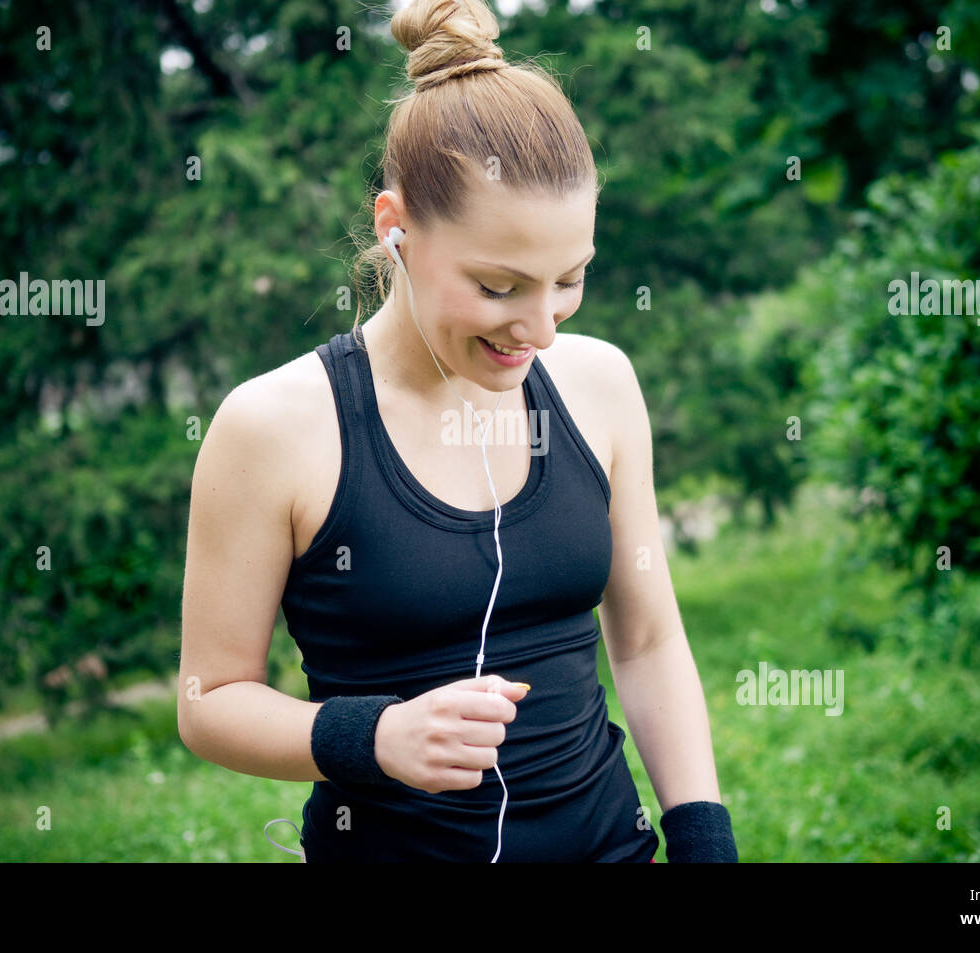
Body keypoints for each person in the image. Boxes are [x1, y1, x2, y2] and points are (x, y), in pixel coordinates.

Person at [177, 0, 737, 863]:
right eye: (499, 286)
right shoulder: (275, 428)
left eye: (570, 279)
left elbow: (648, 639)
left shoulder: (599, 386)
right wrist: (373, 736)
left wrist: (704, 841)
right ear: (393, 227)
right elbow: (208, 698)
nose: (541, 327)